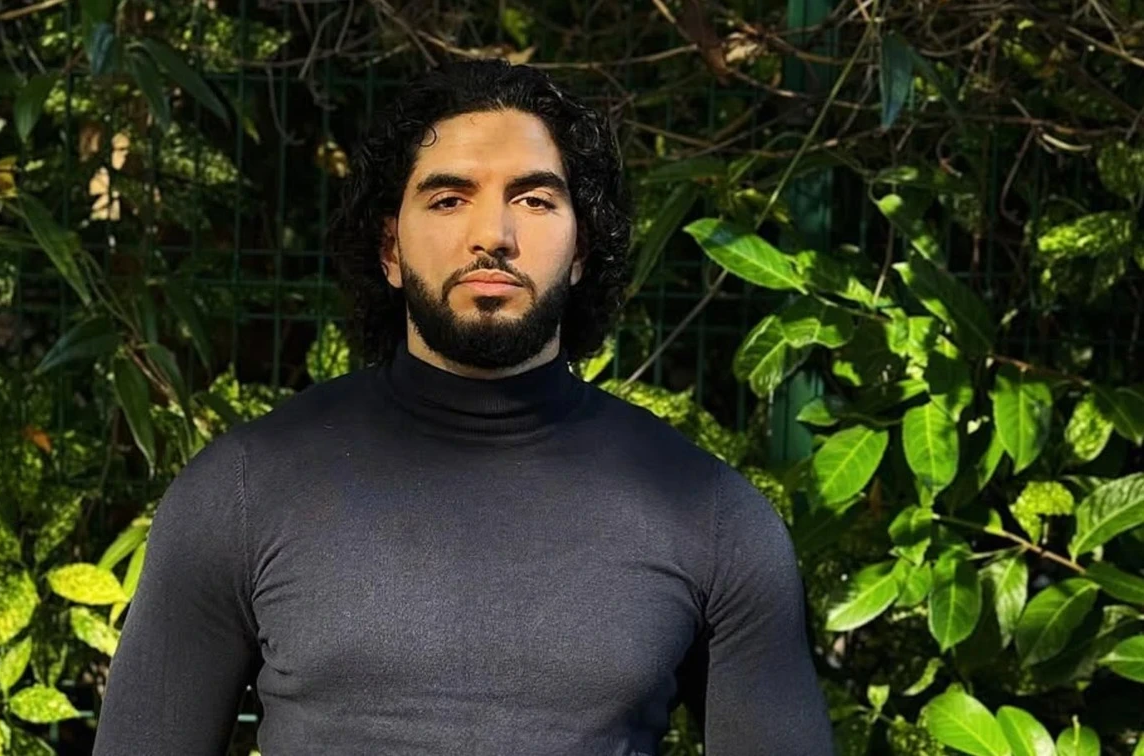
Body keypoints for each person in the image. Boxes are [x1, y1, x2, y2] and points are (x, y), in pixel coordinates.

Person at [90, 58, 833, 756]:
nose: (492, 237)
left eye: (534, 200)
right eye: (449, 199)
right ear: (390, 248)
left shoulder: (711, 516)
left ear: (581, 250)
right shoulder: (243, 491)